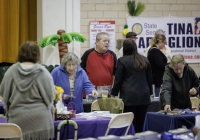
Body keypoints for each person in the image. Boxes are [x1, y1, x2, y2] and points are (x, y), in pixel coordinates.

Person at [0, 41, 56, 140]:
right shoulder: (43, 72)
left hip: (17, 121)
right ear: (37, 54)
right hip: (41, 123)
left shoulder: (10, 71)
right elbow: (51, 96)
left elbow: (3, 93)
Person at [111, 40, 153, 133]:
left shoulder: (122, 60)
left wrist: (113, 93)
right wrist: (150, 93)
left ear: (124, 48)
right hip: (144, 96)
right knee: (140, 124)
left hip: (129, 97)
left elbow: (118, 80)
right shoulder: (144, 59)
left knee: (129, 124)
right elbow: (150, 79)